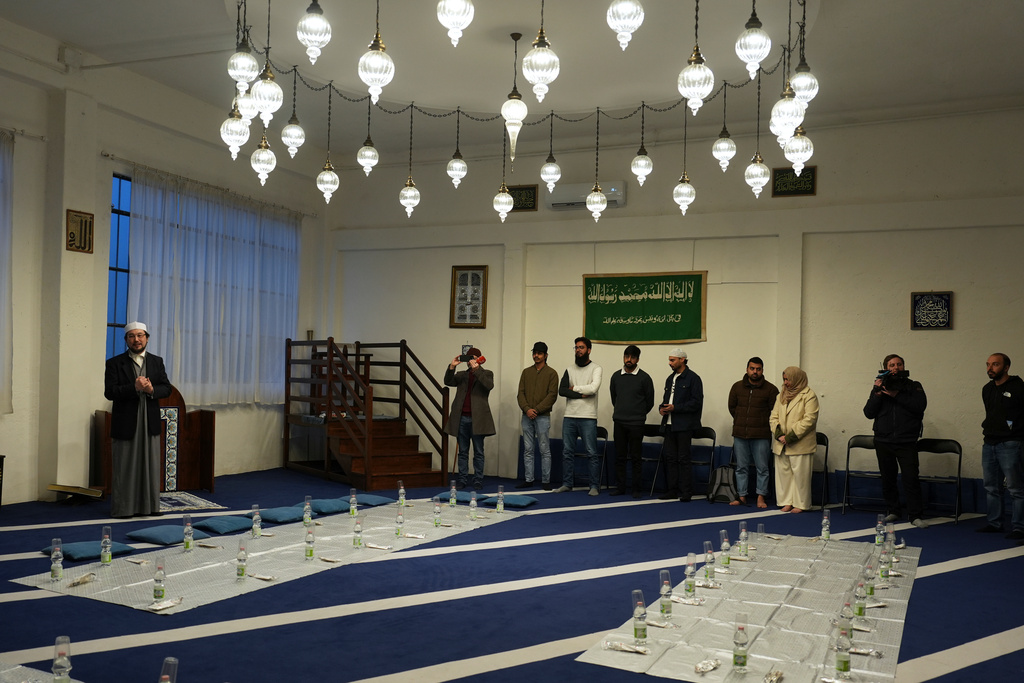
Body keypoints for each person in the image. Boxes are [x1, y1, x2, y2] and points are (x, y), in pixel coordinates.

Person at [103, 322, 172, 518]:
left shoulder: (157, 361)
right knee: (125, 466)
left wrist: (151, 389)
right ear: (126, 340)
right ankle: (124, 509)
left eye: (140, 335)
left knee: (150, 466)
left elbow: (166, 388)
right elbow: (110, 392)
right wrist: (134, 387)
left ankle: (151, 507)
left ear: (147, 338)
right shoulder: (114, 363)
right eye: (132, 336)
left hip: (149, 421)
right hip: (126, 422)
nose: (136, 340)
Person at [863, 354, 928, 528]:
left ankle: (915, 515)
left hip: (907, 440)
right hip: (883, 440)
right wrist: (877, 393)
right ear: (885, 368)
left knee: (911, 478)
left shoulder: (913, 386)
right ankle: (893, 510)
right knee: (888, 478)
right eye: (891, 365)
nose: (896, 367)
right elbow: (868, 413)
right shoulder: (880, 386)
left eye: (899, 364)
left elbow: (919, 407)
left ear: (903, 366)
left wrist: (896, 395)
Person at [978, 353, 1024, 539]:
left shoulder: (1018, 387)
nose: (990, 368)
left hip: (1011, 443)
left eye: (995, 364)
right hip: (990, 443)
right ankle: (994, 523)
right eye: (988, 364)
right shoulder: (987, 389)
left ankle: (1019, 527)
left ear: (1006, 367)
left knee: (1016, 488)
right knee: (991, 487)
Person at [727, 357, 779, 509]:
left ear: (762, 370)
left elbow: (775, 412)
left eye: (758, 369)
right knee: (741, 467)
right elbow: (732, 408)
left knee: (762, 468)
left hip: (761, 435)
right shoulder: (737, 387)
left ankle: (761, 497)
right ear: (747, 369)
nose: (755, 372)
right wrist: (742, 420)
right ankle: (742, 496)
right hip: (740, 433)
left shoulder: (771, 389)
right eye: (752, 368)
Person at [556, 337, 603, 495]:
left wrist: (574, 388)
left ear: (589, 350)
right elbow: (562, 390)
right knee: (567, 452)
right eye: (576, 347)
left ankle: (594, 486)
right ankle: (567, 484)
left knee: (591, 453)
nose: (578, 350)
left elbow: (593, 388)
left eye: (581, 347)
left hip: (588, 417)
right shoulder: (569, 369)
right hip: (569, 416)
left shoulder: (596, 368)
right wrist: (581, 394)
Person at [443, 348, 495, 490]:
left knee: (478, 452)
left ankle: (478, 479)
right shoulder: (461, 375)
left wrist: (477, 370)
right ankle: (462, 479)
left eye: (473, 357)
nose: (470, 360)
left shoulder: (487, 373)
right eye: (468, 358)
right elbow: (448, 381)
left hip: (478, 419)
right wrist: (452, 366)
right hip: (461, 418)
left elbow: (489, 385)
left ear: (479, 359)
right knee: (463, 452)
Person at [769, 366, 819, 513]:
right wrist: (779, 434)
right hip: (781, 443)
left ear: (797, 379)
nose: (785, 383)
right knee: (783, 474)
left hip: (800, 443)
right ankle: (786, 502)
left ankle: (801, 504)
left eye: (788, 379)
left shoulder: (809, 395)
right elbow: (773, 417)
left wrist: (790, 436)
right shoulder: (781, 395)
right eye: (784, 379)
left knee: (800, 476)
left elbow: (810, 419)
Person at [609, 345, 655, 498]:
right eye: (626, 356)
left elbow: (649, 402)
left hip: (636, 423)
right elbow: (614, 398)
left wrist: (638, 414)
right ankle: (620, 487)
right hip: (619, 422)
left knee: (636, 457)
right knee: (620, 457)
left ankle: (636, 489)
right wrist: (622, 411)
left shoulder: (645, 378)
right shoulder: (616, 376)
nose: (629, 360)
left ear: (638, 359)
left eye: (632, 357)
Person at [658, 348, 703, 502]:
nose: (670, 363)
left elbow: (696, 403)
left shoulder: (693, 378)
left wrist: (676, 408)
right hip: (669, 424)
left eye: (672, 360)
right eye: (669, 360)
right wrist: (662, 408)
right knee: (670, 458)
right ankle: (672, 490)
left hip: (684, 425)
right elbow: (667, 399)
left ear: (682, 359)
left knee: (683, 459)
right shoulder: (670, 379)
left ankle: (686, 491)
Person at [516, 341, 558, 490]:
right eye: (534, 353)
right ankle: (529, 479)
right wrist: (527, 409)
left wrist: (537, 410)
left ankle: (546, 481)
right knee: (528, 449)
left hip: (542, 416)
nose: (536, 356)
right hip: (526, 415)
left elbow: (552, 396)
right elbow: (520, 393)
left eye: (539, 353)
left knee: (544, 449)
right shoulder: (526, 372)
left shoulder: (552, 373)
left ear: (546, 355)